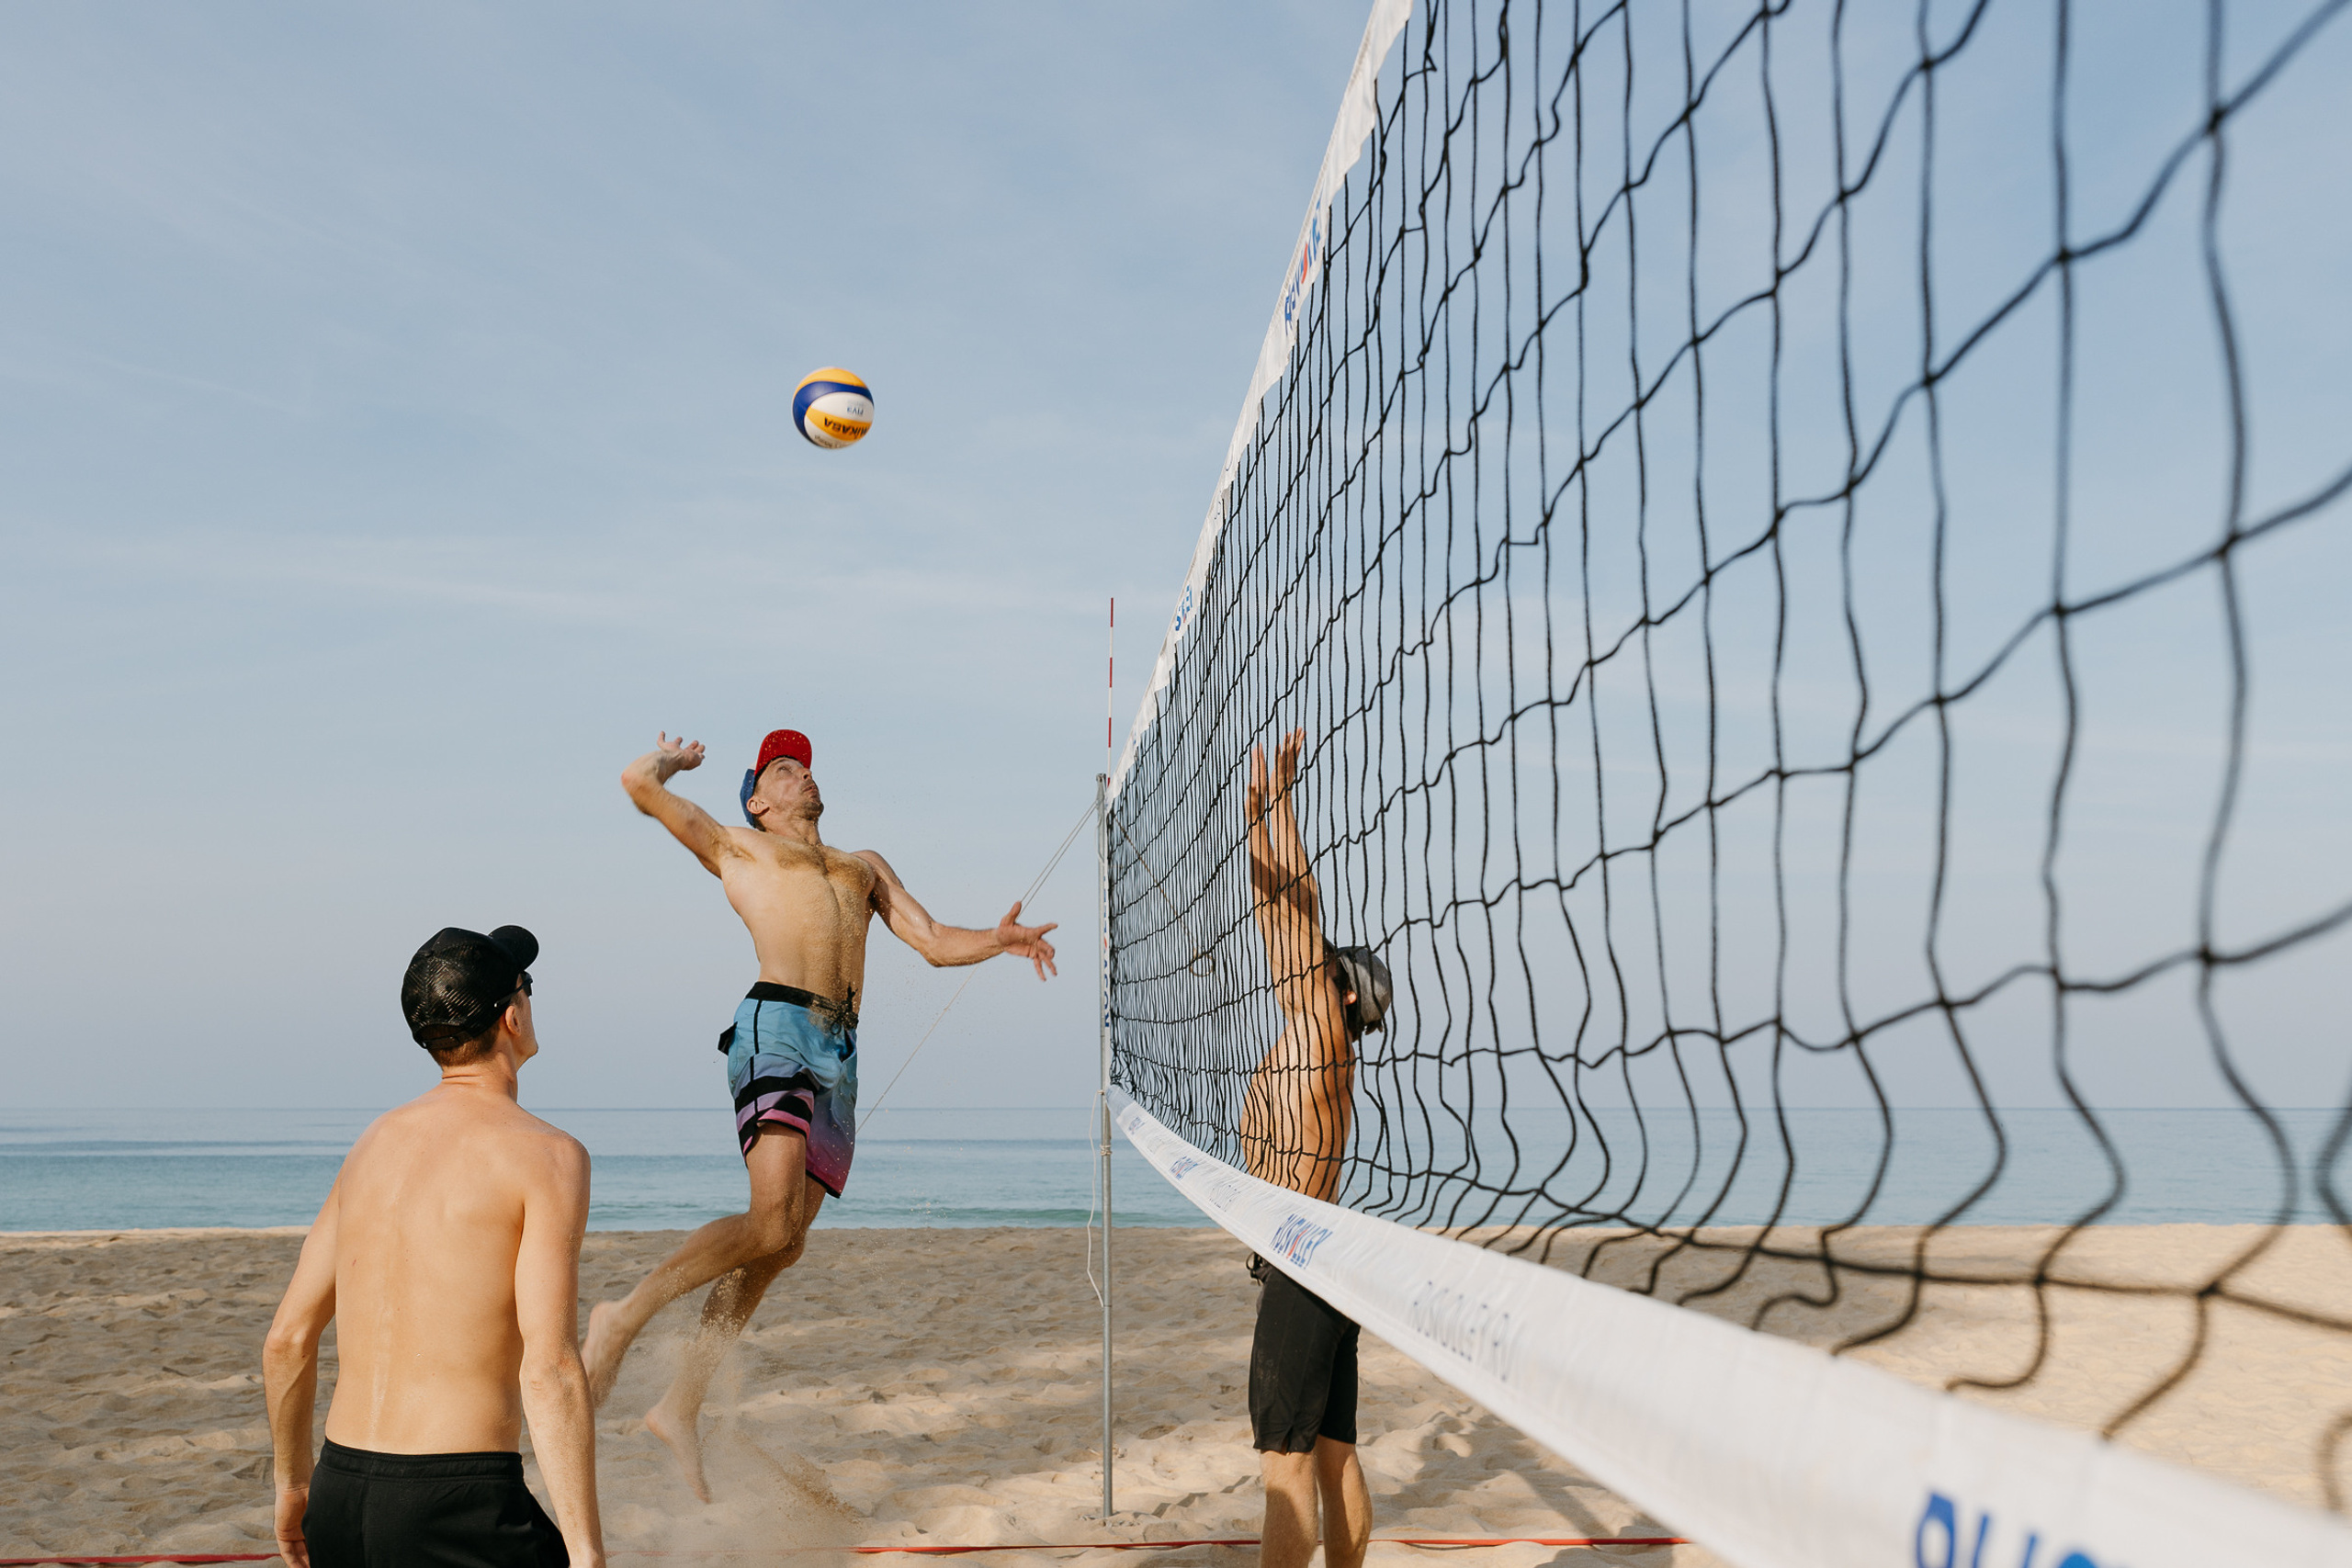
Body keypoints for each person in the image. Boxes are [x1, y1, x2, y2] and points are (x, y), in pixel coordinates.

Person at [583, 728, 1058, 1499]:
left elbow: (934, 942)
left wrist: (997, 940)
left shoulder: (863, 866)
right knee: (767, 1218)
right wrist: (673, 762)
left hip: (841, 1049)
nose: (801, 774)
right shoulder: (738, 847)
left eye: (804, 765)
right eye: (782, 769)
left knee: (783, 1242)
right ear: (759, 802)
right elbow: (638, 782)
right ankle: (621, 1317)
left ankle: (680, 1403)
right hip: (777, 1025)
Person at [263, 925, 604, 1568]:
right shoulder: (549, 1155)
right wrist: (587, 1553)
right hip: (458, 1502)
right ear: (512, 1015)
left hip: (339, 1493)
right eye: (528, 988)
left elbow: (287, 1338)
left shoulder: (373, 1143)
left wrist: (294, 1486)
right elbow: (550, 1366)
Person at [1240, 729, 1394, 1568]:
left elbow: (1298, 909)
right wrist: (1257, 821)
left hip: (1299, 1268)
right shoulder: (1313, 1041)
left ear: (1339, 994)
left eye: (1322, 966)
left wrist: (1284, 808)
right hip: (1324, 1261)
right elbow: (1282, 923)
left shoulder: (1319, 1040)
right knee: (1333, 1455)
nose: (1303, 964)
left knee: (1287, 1464)